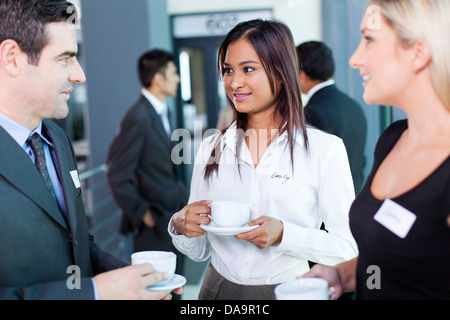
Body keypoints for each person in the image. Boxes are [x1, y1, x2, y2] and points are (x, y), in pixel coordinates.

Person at [0, 0, 181, 300]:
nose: (80, 74)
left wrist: (134, 279)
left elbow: (78, 245)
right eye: (65, 58)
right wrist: (96, 292)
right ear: (12, 58)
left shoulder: (56, 139)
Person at [168, 19, 358, 300]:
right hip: (217, 290)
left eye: (248, 69)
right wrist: (181, 226)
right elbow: (199, 252)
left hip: (291, 290)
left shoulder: (324, 149)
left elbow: (347, 247)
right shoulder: (211, 147)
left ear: (280, 73)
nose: (234, 82)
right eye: (228, 70)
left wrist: (284, 235)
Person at [303, 0, 450, 300]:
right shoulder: (392, 140)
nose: (355, 59)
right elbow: (398, 264)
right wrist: (342, 275)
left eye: (369, 40)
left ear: (418, 52)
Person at [106, 50, 188, 280]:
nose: (178, 79)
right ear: (158, 79)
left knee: (173, 287)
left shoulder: (163, 111)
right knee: (155, 290)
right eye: (174, 73)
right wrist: (143, 213)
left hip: (171, 216)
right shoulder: (137, 117)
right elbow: (116, 174)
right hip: (153, 224)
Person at [297, 41, 367, 193]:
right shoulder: (353, 106)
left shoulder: (312, 112)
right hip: (354, 199)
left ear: (301, 75)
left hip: (327, 206)